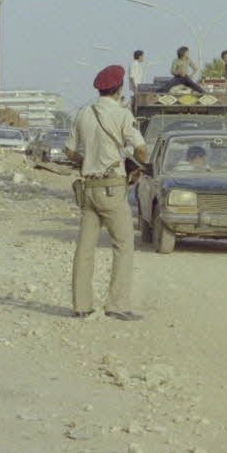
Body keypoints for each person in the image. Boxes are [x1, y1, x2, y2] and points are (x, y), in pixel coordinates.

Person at [66, 64, 147, 321]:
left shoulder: (83, 113)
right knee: (123, 244)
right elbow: (141, 149)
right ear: (119, 88)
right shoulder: (122, 114)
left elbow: (69, 151)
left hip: (88, 187)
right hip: (112, 188)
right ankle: (117, 305)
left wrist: (87, 162)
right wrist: (137, 167)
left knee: (85, 248)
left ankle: (81, 305)